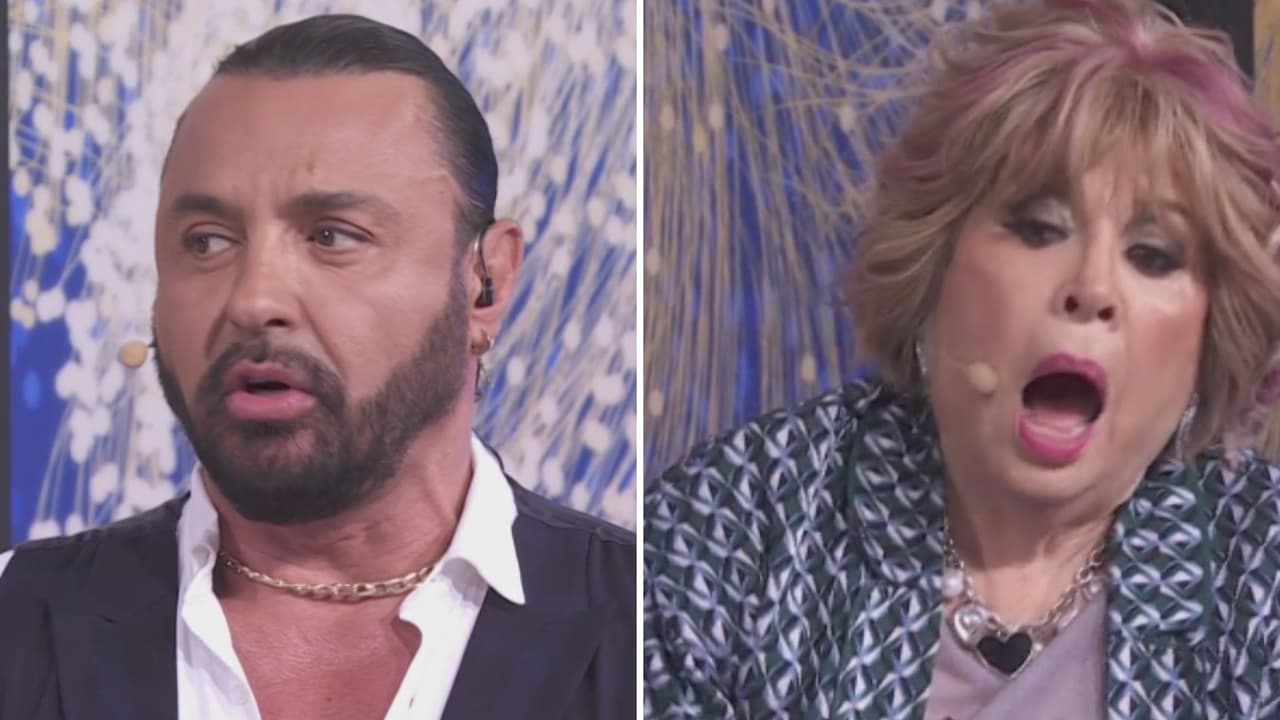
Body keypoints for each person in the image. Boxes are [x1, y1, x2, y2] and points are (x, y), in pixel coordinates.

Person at [644, 0, 1280, 717]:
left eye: (1153, 255)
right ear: (935, 265)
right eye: (1040, 228)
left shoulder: (1261, 572)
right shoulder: (738, 526)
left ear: (1211, 335)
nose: (1093, 288)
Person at [0, 14, 634, 720]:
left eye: (333, 236)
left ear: (486, 282)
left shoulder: (648, 624)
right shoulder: (16, 617)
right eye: (207, 242)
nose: (253, 300)